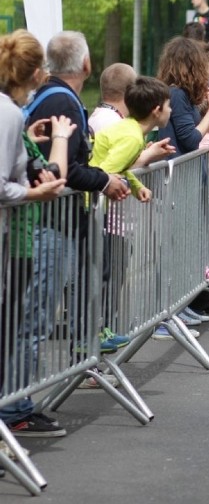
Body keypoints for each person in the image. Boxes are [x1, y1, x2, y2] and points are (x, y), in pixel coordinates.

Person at [0, 30, 73, 438]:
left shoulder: (13, 115)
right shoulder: (8, 113)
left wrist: (27, 147)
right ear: (31, 73)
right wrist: (33, 191)